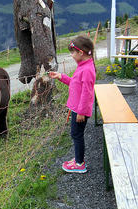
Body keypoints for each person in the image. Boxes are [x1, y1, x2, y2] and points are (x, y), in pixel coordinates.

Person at [49, 35, 96, 173]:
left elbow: (87, 93)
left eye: (72, 52)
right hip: (78, 109)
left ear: (81, 52)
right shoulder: (83, 66)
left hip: (80, 110)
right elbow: (76, 84)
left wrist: (81, 112)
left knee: (77, 135)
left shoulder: (86, 70)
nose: (71, 55)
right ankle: (77, 159)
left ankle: (79, 163)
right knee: (76, 134)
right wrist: (61, 77)